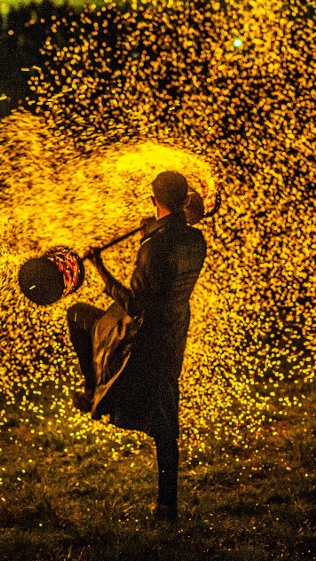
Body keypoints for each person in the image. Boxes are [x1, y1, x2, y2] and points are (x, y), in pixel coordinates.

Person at [66, 171, 207, 522]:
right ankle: (167, 504)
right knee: (166, 424)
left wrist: (100, 269)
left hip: (143, 337)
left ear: (153, 201)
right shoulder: (195, 240)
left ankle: (92, 390)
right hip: (174, 332)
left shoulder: (154, 248)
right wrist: (153, 231)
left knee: (78, 315)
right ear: (185, 200)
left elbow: (136, 304)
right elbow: (177, 232)